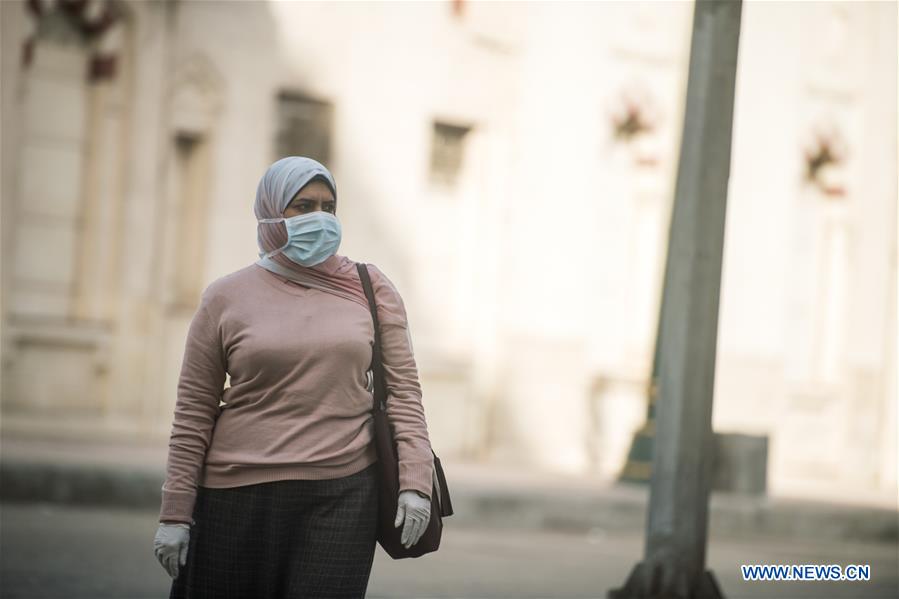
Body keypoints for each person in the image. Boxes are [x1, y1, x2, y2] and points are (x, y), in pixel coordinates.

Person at [153, 156, 435, 599]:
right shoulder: (225, 297)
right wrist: (174, 514)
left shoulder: (369, 287)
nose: (319, 218)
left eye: (328, 206)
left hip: (342, 493)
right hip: (234, 494)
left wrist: (416, 483)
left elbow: (403, 392)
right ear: (271, 212)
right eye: (302, 206)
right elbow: (193, 412)